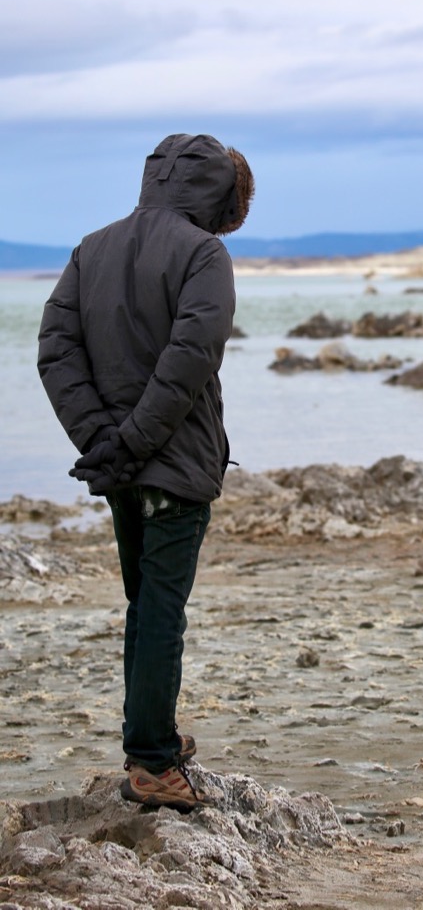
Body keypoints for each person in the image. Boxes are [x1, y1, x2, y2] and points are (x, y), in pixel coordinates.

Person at [37, 133, 255, 812]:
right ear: (221, 196)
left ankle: (151, 735)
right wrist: (124, 442)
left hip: (122, 466)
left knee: (145, 604)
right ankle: (153, 762)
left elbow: (56, 350)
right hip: (172, 464)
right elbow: (191, 357)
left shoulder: (91, 247)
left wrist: (103, 441)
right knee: (161, 609)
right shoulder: (204, 254)